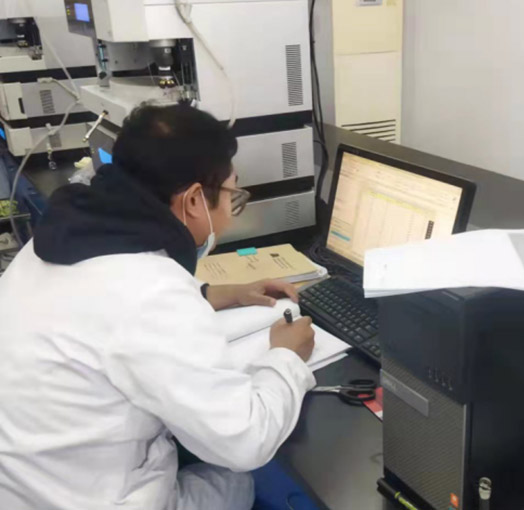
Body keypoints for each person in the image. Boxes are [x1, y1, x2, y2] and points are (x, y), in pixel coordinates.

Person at [0, 104, 317, 510]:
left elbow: (107, 305)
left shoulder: (65, 232)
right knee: (239, 481)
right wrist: (287, 358)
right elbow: (246, 442)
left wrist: (218, 293)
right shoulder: (151, 293)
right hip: (89, 498)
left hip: (27, 483)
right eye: (232, 197)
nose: (230, 215)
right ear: (194, 200)